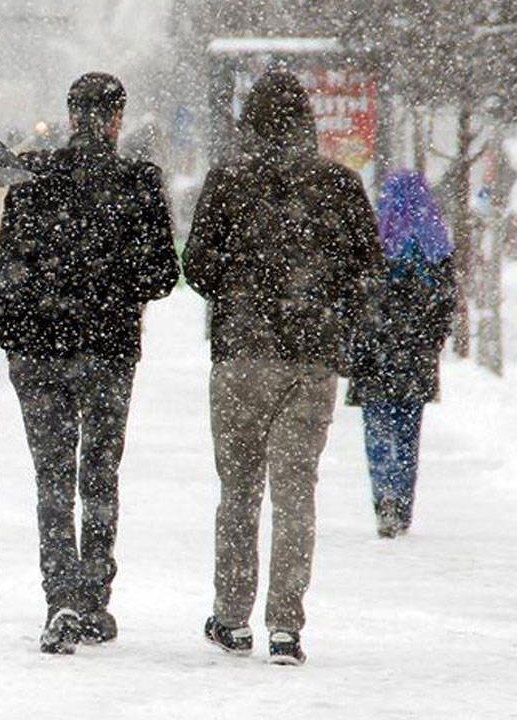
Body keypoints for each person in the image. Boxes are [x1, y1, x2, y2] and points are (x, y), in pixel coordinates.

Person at [183, 71, 383, 665]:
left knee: (239, 490)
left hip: (242, 355)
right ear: (307, 121)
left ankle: (232, 617)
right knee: (297, 494)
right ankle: (286, 626)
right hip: (312, 360)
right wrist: (325, 304)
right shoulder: (338, 185)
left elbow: (196, 265)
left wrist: (239, 287)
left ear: (250, 122)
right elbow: (368, 270)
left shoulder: (229, 181)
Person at [0, 72, 178, 653]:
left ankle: (61, 598)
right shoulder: (138, 183)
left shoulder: (31, 177)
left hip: (39, 349)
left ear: (72, 114)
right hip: (108, 348)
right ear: (117, 118)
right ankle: (95, 597)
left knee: (51, 476)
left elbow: (8, 267)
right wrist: (113, 282)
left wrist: (20, 333)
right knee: (99, 473)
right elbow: (161, 276)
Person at [347, 170, 456, 538]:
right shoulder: (436, 243)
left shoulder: (377, 236)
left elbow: (356, 294)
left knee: (377, 429)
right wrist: (432, 339)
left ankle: (383, 499)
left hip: (375, 351)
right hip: (415, 354)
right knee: (409, 433)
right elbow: (446, 301)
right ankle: (403, 504)